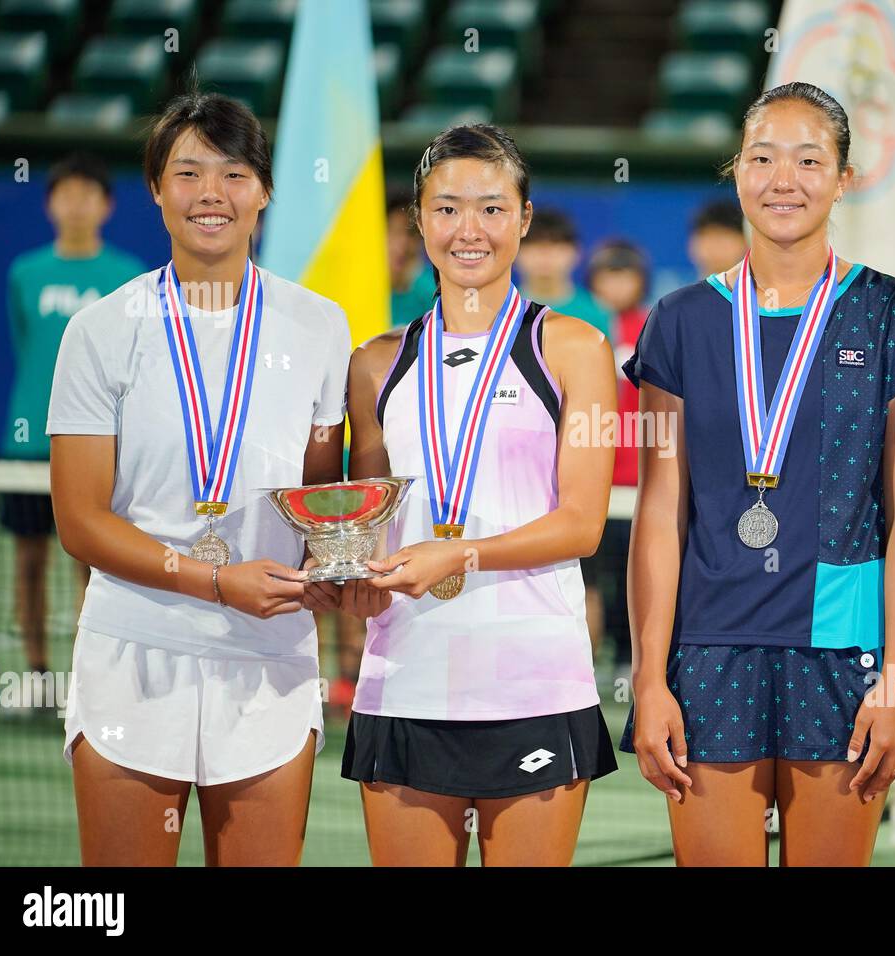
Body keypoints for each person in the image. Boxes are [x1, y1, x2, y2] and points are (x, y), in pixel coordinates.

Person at [621, 82, 895, 867]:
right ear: (736, 172)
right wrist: (650, 677)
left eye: (809, 159)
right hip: (706, 648)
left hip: (844, 652)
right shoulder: (681, 320)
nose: (783, 179)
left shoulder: (892, 314)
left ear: (843, 177)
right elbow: (661, 512)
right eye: (762, 157)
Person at [47, 91, 351, 865]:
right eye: (188, 173)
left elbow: (319, 493)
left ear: (264, 191)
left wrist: (331, 562)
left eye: (235, 172)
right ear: (155, 188)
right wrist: (215, 583)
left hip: (270, 650)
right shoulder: (100, 330)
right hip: (133, 645)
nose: (211, 194)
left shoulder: (320, 325)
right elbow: (81, 522)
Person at [337, 124, 618, 867]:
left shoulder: (576, 349)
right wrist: (352, 576)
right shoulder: (374, 363)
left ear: (524, 219)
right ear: (419, 221)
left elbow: (582, 523)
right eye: (448, 208)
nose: (470, 230)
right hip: (405, 680)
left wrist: (457, 552)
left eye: (493, 209)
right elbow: (368, 520)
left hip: (533, 681)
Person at [1, 154, 143, 683]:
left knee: (94, 563)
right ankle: (37, 677)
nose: (76, 204)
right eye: (65, 193)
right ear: (49, 204)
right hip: (25, 449)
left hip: (100, 446)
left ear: (107, 206)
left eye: (88, 193)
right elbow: (24, 343)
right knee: (28, 563)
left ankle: (90, 679)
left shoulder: (126, 276)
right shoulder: (24, 273)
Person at [585, 238, 651, 680]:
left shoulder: (652, 325)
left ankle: (634, 661)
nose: (617, 283)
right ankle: (586, 667)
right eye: (609, 273)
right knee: (589, 579)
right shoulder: (578, 328)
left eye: (625, 273)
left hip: (639, 479)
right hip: (591, 480)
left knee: (638, 575)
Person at [515, 208, 612, 337]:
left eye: (556, 243)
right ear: (514, 252)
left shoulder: (598, 312)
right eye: (533, 244)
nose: (545, 254)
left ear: (577, 253)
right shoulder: (497, 311)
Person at [387, 183, 437, 328]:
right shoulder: (360, 290)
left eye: (410, 233)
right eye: (394, 232)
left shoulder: (434, 292)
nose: (402, 244)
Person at [687, 198, 748, 279]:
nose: (714, 246)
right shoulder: (679, 290)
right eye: (707, 236)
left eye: (724, 236)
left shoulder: (762, 290)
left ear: (745, 241)